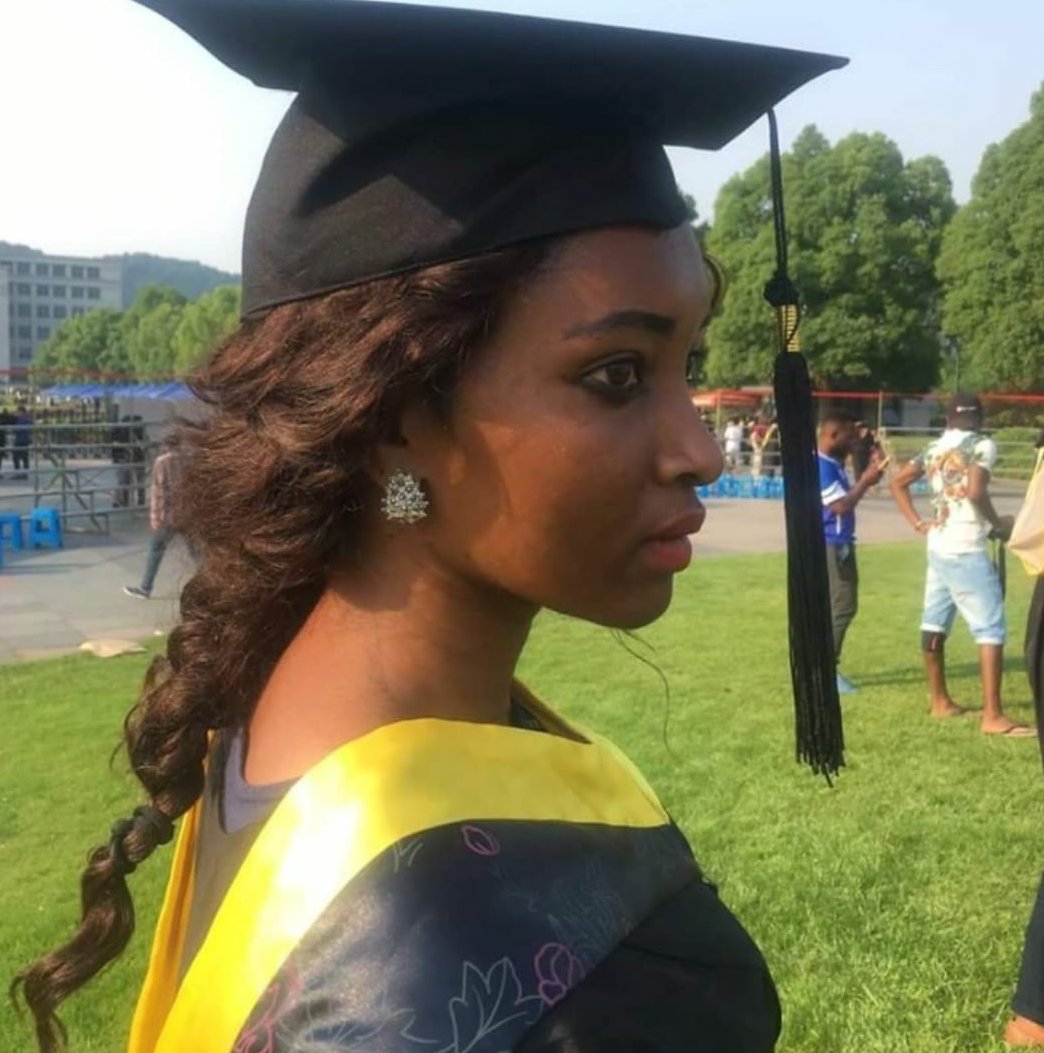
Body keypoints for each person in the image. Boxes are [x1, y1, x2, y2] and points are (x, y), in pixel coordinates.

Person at [13, 3, 846, 1052]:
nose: (700, 450)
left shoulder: (279, 736)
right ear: (399, 417)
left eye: (687, 365)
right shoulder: (501, 988)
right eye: (617, 374)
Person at [889, 393, 1033, 734]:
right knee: (990, 629)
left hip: (938, 544)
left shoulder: (933, 448)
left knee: (933, 623)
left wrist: (917, 523)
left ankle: (940, 702)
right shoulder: (982, 445)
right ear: (980, 418)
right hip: (966, 546)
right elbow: (975, 492)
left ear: (949, 418)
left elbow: (897, 482)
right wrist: (998, 524)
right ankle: (993, 716)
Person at [817, 411, 884, 694]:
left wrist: (872, 464)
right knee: (843, 606)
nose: (852, 440)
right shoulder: (821, 466)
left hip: (834, 542)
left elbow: (859, 483)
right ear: (832, 436)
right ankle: (825, 671)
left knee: (832, 607)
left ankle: (818, 667)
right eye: (848, 435)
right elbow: (840, 506)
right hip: (833, 543)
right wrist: (865, 482)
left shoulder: (832, 463)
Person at [123, 435, 183, 600]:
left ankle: (145, 588)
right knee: (196, 551)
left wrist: (155, 516)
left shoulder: (162, 462)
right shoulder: (188, 460)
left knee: (156, 548)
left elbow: (158, 491)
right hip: (187, 512)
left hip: (168, 514)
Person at [11, 402, 31, 479]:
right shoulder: (26, 418)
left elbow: (18, 429)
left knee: (16, 456)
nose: (16, 413)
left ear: (21, 412)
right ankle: (24, 474)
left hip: (20, 440)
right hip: (24, 440)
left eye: (17, 412)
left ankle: (19, 473)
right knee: (24, 457)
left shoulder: (22, 419)